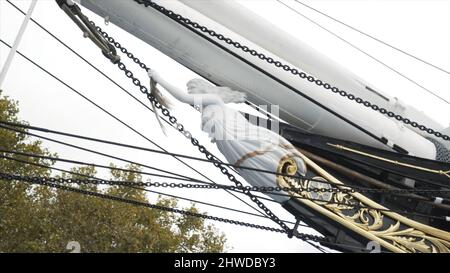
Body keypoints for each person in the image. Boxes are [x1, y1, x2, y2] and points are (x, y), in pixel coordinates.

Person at [148, 70, 306, 202]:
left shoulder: (213, 100)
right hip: (230, 143)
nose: (191, 94)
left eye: (193, 90)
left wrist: (159, 79)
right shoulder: (206, 109)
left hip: (236, 136)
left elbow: (183, 98)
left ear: (203, 90)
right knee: (252, 165)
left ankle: (282, 174)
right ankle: (277, 182)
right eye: (190, 91)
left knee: (258, 156)